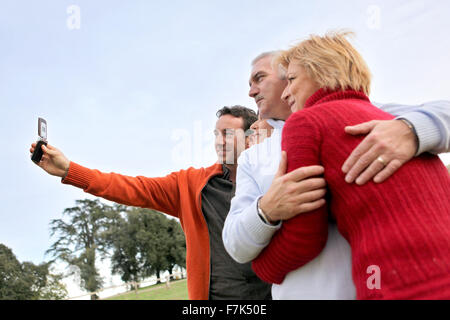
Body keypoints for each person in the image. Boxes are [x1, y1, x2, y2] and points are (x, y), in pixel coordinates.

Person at [222, 49, 450, 299]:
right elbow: (235, 245)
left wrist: (410, 130)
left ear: (290, 76)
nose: (251, 91)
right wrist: (266, 210)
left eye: (259, 78)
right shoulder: (252, 157)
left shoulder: (372, 113)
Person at [30, 105, 273, 300]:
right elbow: (132, 188)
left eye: (228, 134)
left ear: (251, 138)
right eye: (215, 135)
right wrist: (69, 170)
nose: (219, 141)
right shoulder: (191, 185)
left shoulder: (272, 178)